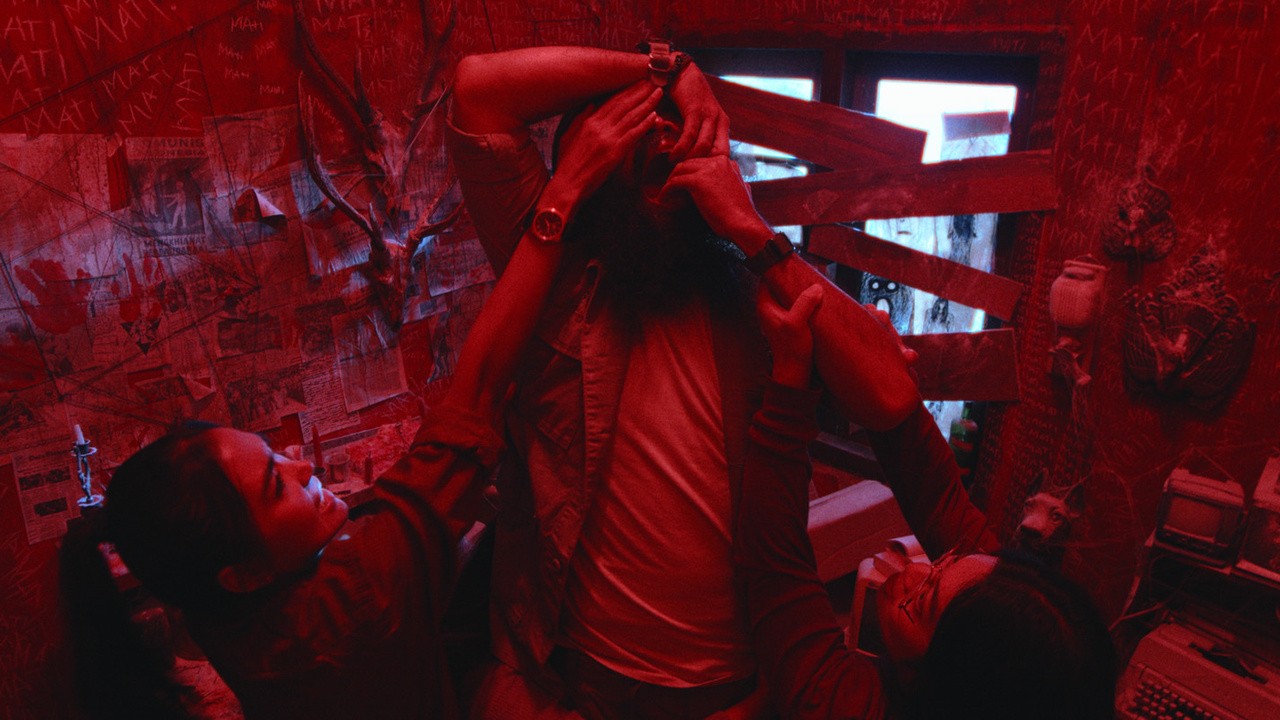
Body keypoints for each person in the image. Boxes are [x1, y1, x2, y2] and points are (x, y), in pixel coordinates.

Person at [56, 83, 661, 720]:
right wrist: (562, 195)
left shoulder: (212, 608)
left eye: (275, 454)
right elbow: (478, 390)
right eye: (276, 487)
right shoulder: (353, 602)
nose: (301, 465)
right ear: (244, 575)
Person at [448, 44, 920, 719]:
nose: (663, 136)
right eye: (635, 124)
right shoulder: (555, 279)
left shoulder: (755, 288)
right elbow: (478, 92)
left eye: (678, 126)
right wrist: (673, 71)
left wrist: (748, 224)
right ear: (590, 158)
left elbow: (892, 394)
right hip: (583, 680)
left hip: (736, 685)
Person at [737, 285, 1118, 719]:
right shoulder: (998, 618)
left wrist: (790, 379)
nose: (913, 569)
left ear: (938, 682)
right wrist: (883, 377)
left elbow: (774, 566)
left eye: (922, 603)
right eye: (945, 563)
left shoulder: (848, 708)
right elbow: (938, 497)